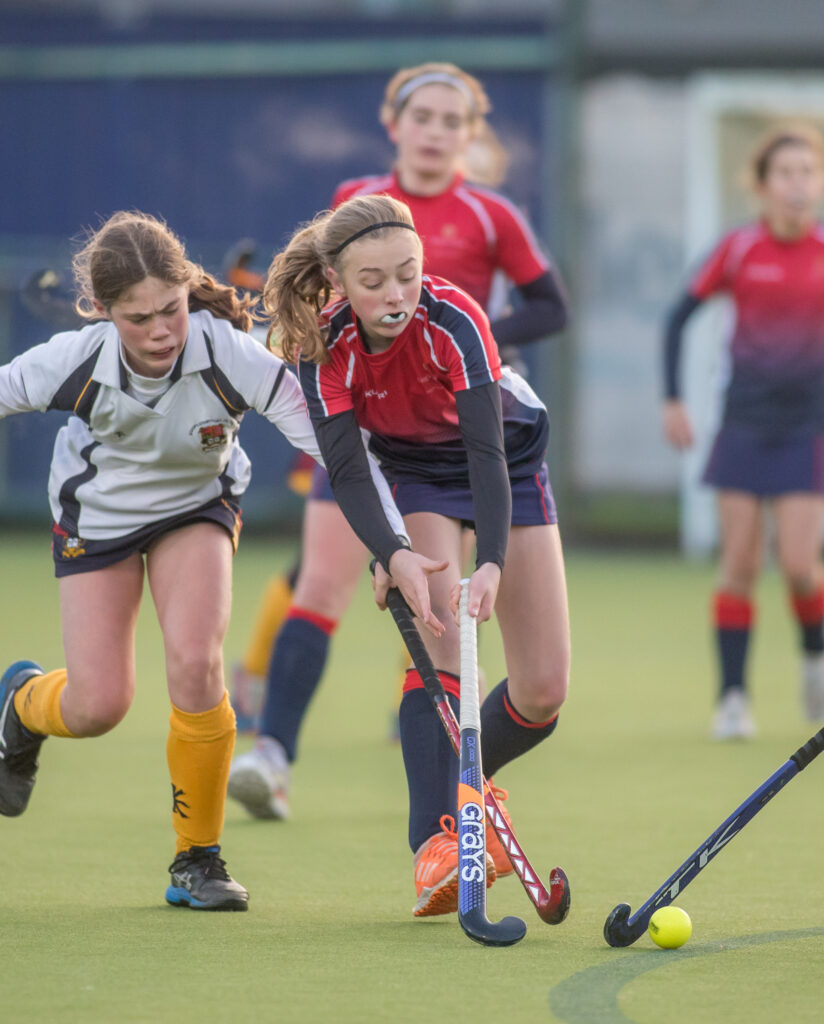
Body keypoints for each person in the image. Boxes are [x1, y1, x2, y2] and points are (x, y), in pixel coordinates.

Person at [0, 210, 410, 910]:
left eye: (172, 308)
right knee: (99, 705)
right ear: (103, 312)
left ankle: (199, 857)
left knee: (197, 662)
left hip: (196, 509)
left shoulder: (231, 353)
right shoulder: (72, 361)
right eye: (138, 319)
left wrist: (394, 544)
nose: (162, 331)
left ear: (188, 289)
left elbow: (337, 454)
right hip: (95, 521)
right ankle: (21, 703)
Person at [228, 60, 568, 820]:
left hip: (470, 412)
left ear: (470, 136)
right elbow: (316, 306)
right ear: (394, 125)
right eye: (425, 117)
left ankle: (441, 769)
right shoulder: (354, 203)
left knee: (447, 620)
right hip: (375, 431)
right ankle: (273, 753)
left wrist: (471, 342)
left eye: (454, 121)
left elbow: (551, 307)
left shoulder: (491, 216)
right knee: (323, 581)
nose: (437, 132)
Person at [261, 193, 570, 917]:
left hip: (508, 465)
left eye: (407, 273)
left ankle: (468, 784)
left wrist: (489, 560)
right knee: (437, 648)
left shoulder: (456, 319)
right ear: (338, 283)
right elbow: (344, 467)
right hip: (417, 474)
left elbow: (488, 451)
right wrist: (393, 552)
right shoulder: (323, 344)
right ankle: (438, 839)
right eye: (373, 282)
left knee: (544, 690)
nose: (396, 294)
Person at [661, 124, 824, 740]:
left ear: (821, 180)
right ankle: (732, 699)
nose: (797, 185)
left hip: (808, 420)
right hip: (744, 419)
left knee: (801, 565)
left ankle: (816, 652)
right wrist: (673, 399)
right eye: (784, 174)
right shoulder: (736, 250)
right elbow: (677, 318)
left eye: (807, 172)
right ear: (761, 185)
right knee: (738, 563)